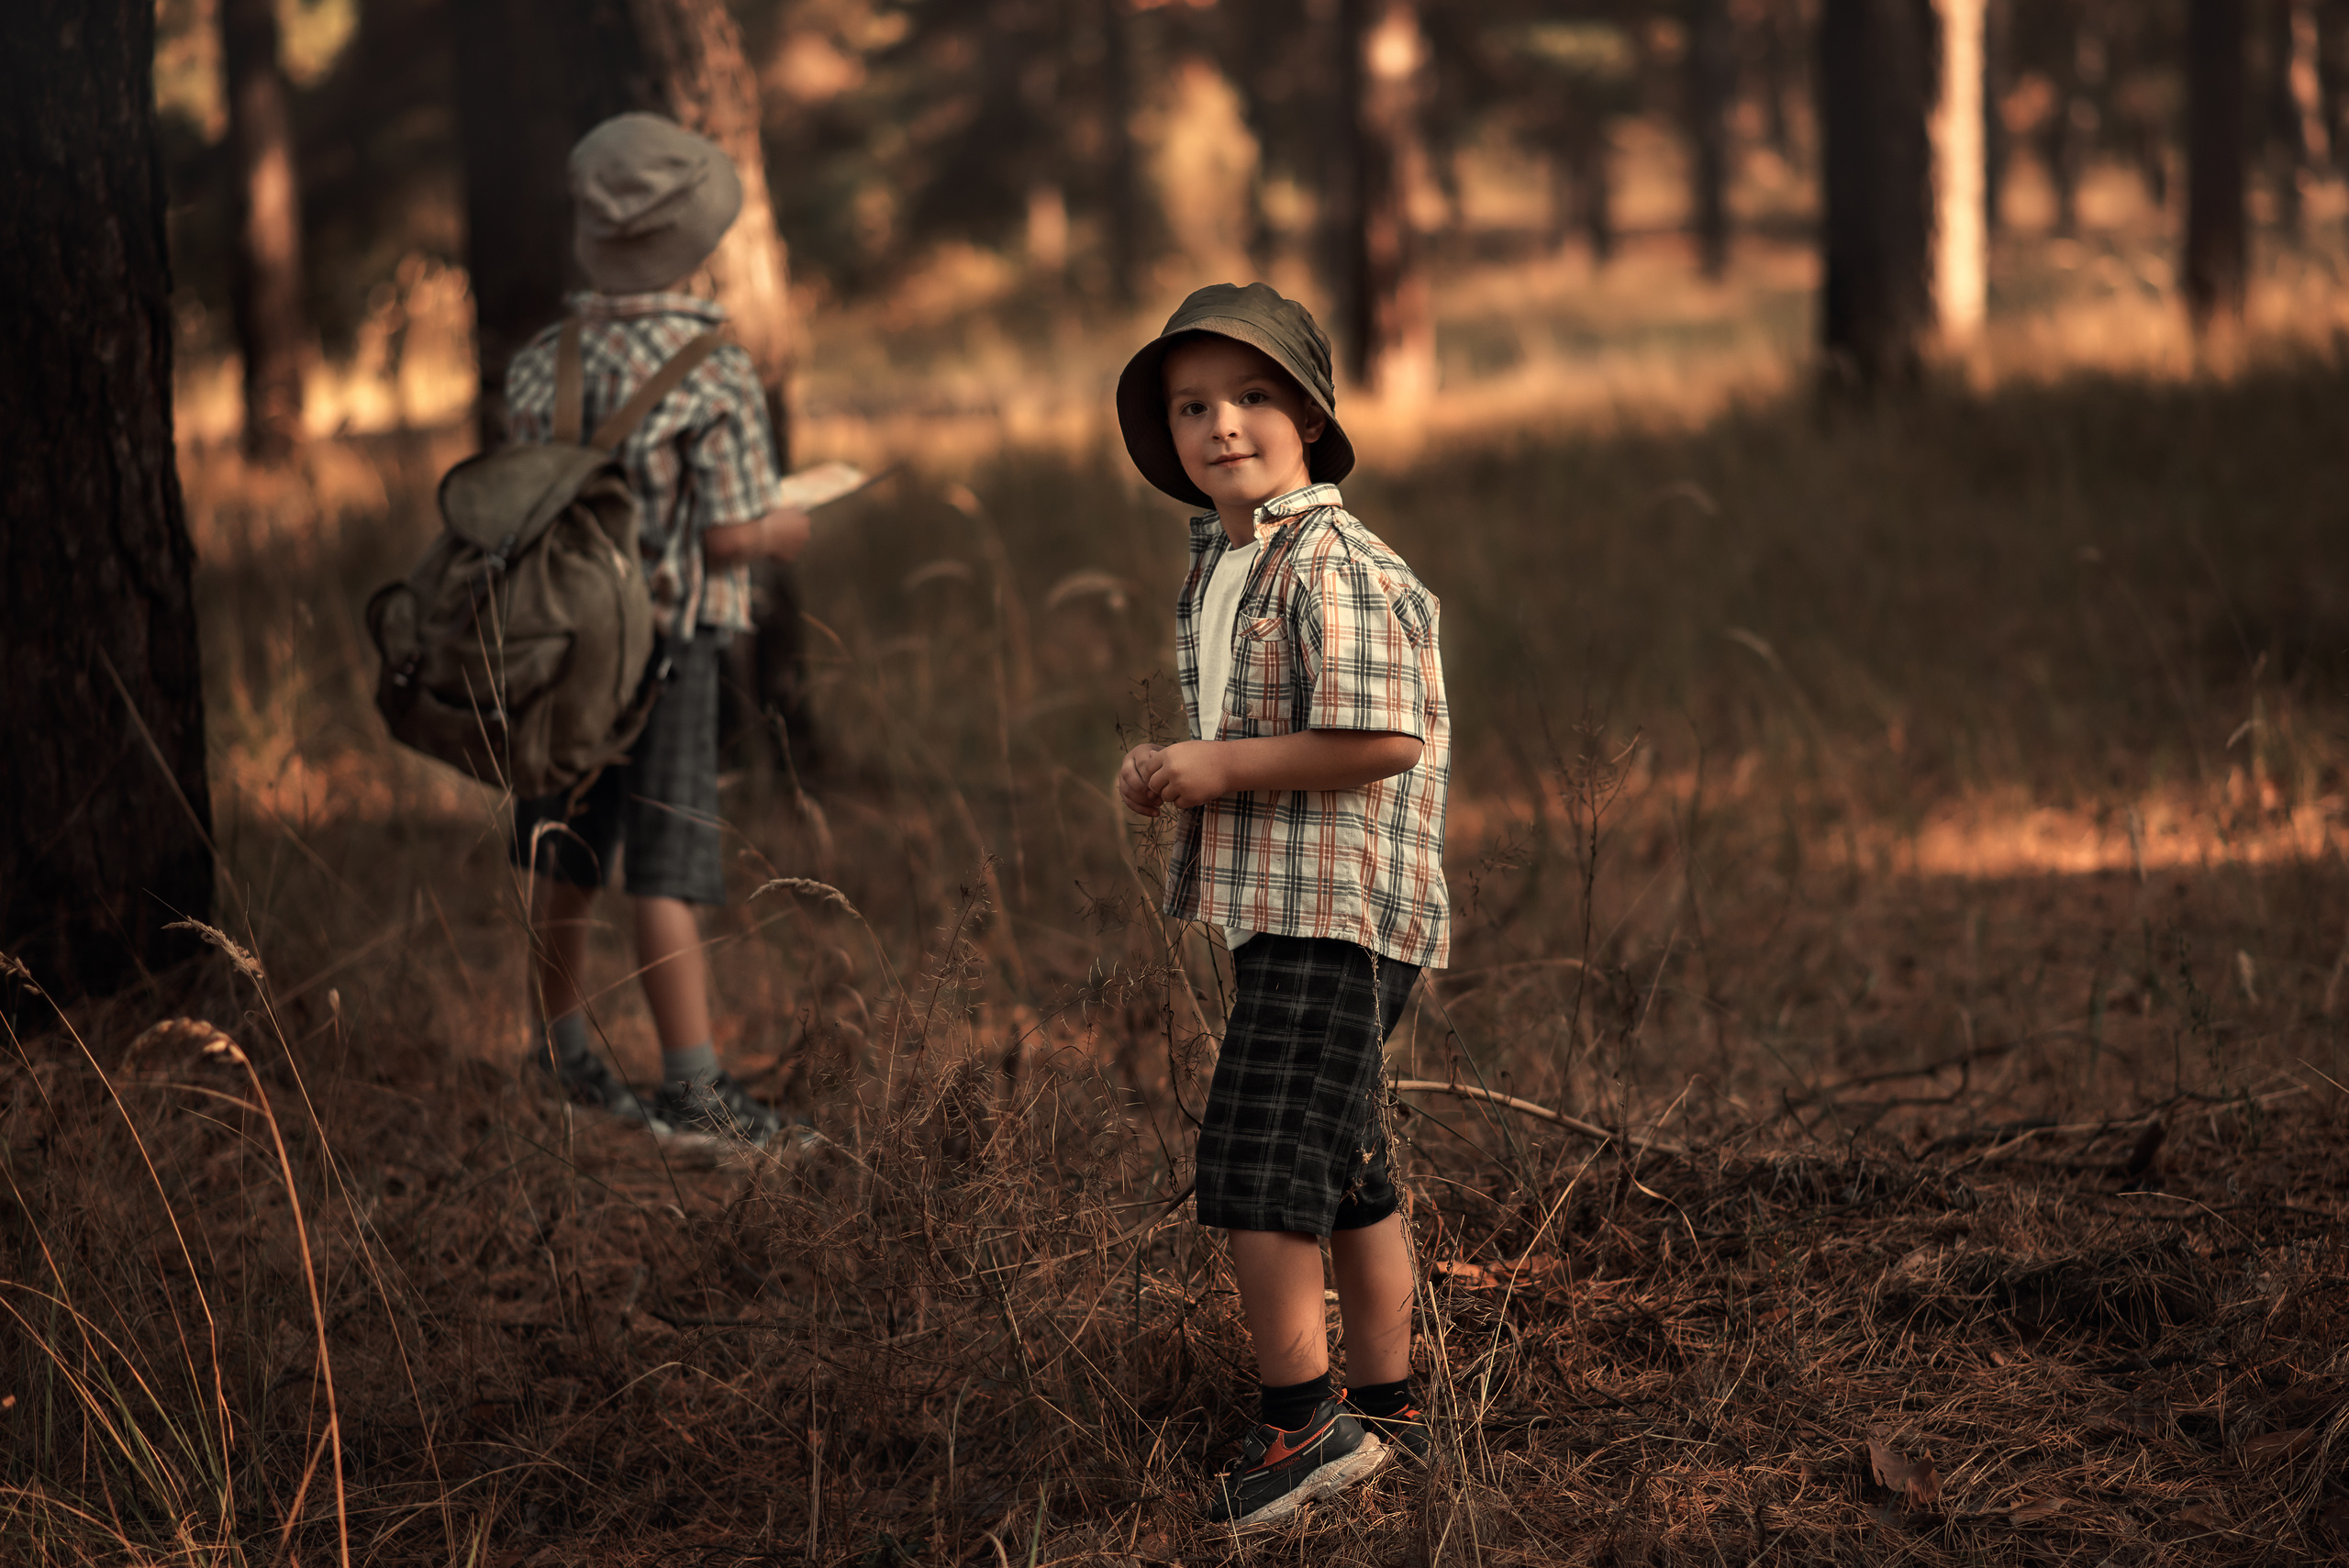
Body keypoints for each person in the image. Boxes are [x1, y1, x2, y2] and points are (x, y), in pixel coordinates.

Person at [1112, 283, 1452, 1526]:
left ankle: (1302, 1425)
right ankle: (1386, 1406)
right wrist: (1174, 768)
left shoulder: (1334, 561)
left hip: (1338, 916)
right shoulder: (1230, 561)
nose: (1222, 424)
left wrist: (1222, 766)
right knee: (1344, 1160)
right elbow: (1251, 726)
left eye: (1253, 395)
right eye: (1191, 405)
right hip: (1287, 913)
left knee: (1257, 1162)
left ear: (1309, 414)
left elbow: (1384, 736)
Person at [507, 113, 808, 1153]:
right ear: (696, 239)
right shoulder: (713, 369)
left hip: (559, 649)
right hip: (670, 650)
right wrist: (783, 527)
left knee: (565, 850)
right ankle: (693, 1088)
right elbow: (727, 535)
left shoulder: (541, 362)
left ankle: (559, 1053)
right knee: (667, 864)